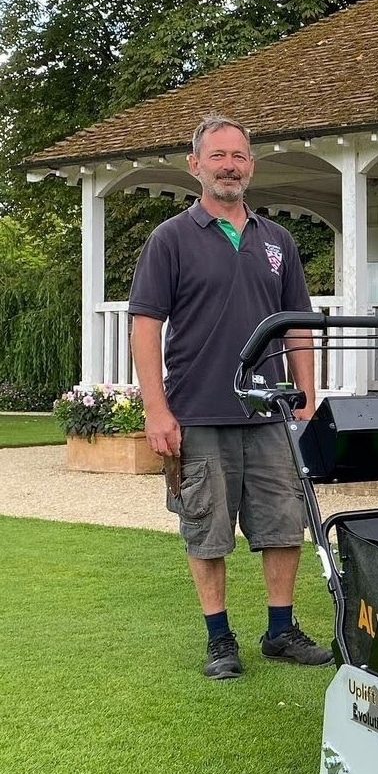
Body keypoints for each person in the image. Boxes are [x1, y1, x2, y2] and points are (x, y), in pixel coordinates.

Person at [129, 113, 332, 679]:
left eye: (238, 156)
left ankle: (280, 630)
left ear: (251, 165)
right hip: (198, 410)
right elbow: (146, 325)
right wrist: (156, 407)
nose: (229, 166)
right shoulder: (170, 238)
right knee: (207, 527)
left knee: (283, 524)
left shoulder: (277, 240)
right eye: (217, 156)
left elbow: (296, 323)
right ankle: (220, 639)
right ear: (195, 165)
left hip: (270, 411)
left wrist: (306, 395)